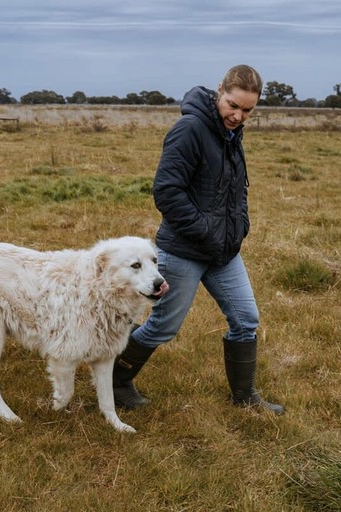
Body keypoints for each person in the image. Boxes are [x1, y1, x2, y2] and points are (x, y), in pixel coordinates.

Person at [113, 64, 285, 414]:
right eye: (233, 105)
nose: (238, 115)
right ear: (220, 90)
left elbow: (233, 191)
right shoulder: (190, 129)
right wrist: (206, 230)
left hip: (223, 252)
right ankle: (115, 381)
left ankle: (245, 397)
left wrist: (239, 226)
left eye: (247, 110)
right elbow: (167, 191)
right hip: (184, 250)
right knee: (164, 326)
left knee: (246, 319)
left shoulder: (231, 134)